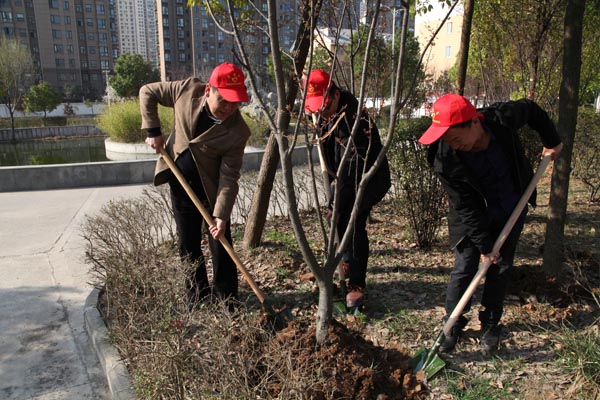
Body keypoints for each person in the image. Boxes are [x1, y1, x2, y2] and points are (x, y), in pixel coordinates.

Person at [418, 94, 563, 353]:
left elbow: (531, 109)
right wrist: (485, 245)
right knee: (465, 265)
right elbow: (464, 205)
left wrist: (552, 141)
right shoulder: (443, 157)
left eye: (454, 137)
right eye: (446, 139)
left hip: (511, 205)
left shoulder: (501, 119)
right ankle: (453, 324)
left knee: (501, 267)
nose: (451, 143)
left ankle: (491, 323)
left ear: (474, 122)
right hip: (472, 216)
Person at [140, 62, 251, 309]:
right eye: (224, 100)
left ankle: (226, 297)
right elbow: (148, 92)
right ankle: (197, 296)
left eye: (236, 102)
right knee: (187, 242)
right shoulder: (187, 90)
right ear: (209, 90)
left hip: (212, 191)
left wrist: (221, 215)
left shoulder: (238, 132)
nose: (229, 108)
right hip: (180, 181)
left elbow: (229, 176)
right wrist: (153, 130)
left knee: (220, 242)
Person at [305, 69, 391, 309]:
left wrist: (337, 205)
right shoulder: (323, 114)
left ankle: (356, 282)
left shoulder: (355, 120)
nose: (319, 110)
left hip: (367, 179)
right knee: (340, 223)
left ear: (334, 94)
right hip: (342, 178)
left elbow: (351, 172)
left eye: (322, 104)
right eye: (314, 106)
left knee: (353, 224)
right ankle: (345, 261)